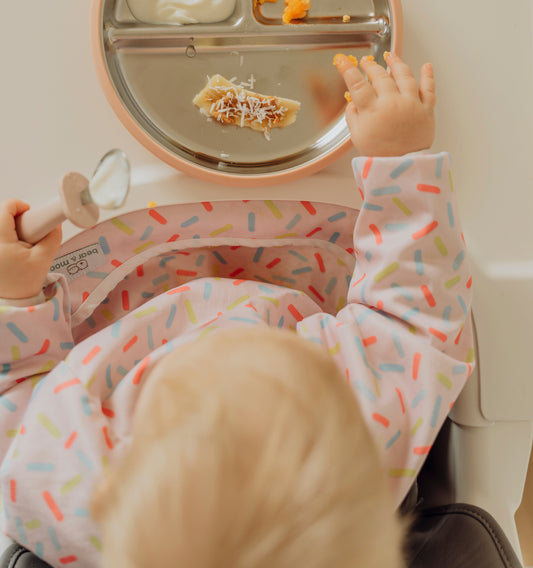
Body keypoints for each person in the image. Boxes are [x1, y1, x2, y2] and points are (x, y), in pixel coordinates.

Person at [0, 52, 474, 568]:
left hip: (121, 311)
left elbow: (17, 400)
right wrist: (398, 161)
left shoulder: (68, 485)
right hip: (304, 280)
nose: (221, 344)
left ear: (113, 488)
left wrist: (17, 295)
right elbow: (413, 318)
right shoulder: (362, 442)